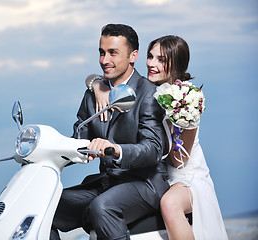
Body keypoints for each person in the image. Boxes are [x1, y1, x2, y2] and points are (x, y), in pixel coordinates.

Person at [87, 35, 228, 240]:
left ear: (176, 63)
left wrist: (170, 121)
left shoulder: (187, 97)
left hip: (185, 178)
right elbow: (103, 76)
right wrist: (97, 85)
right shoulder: (148, 91)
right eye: (150, 57)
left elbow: (180, 161)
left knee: (169, 204)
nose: (152, 64)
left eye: (161, 59)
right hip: (154, 175)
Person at [50, 24, 170, 240]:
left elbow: (153, 149)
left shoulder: (149, 94)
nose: (105, 60)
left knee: (102, 207)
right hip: (107, 181)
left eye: (113, 52)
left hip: (145, 183)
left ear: (133, 56)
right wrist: (46, 152)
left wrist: (114, 149)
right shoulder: (92, 95)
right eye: (102, 52)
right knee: (43, 206)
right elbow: (79, 137)